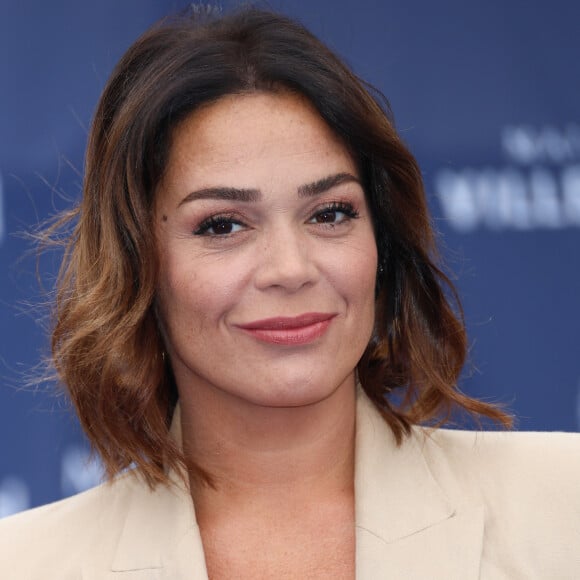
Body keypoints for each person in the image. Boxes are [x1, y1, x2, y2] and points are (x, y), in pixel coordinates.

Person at [1, 7, 579, 579]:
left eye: (329, 214)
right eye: (223, 224)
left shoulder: (562, 510)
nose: (290, 268)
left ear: (382, 246)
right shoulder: (25, 563)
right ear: (139, 265)